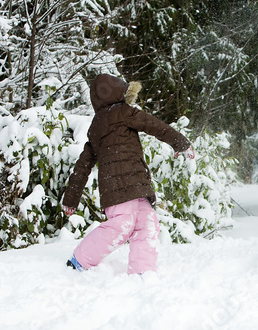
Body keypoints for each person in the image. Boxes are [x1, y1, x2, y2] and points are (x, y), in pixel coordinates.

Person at [62, 74, 195, 275]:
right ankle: (80, 260)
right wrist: (180, 142)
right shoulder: (120, 114)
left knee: (147, 224)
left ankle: (142, 271)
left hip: (136, 185)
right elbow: (154, 125)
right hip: (118, 188)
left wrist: (71, 199)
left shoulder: (98, 124)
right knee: (122, 225)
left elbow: (82, 167)